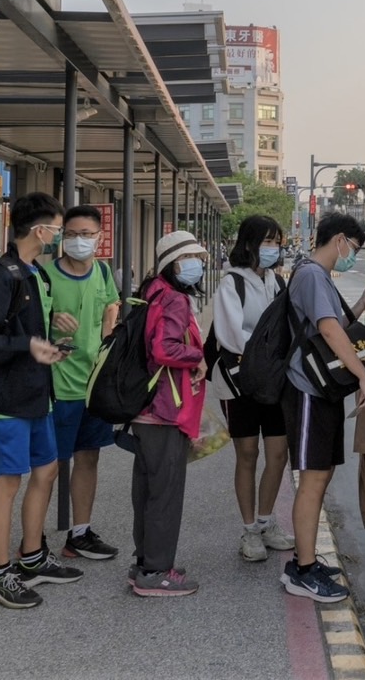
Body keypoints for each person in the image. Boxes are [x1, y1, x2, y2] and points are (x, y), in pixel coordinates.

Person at [0, 191, 81, 610]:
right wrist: (28, 344)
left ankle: (32, 557)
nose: (60, 236)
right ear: (39, 229)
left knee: (46, 471)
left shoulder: (36, 273)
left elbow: (27, 327)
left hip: (36, 393)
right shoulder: (1, 275)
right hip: (5, 398)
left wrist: (51, 331)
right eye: (58, 228)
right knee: (8, 482)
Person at [279, 212, 365, 603]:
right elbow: (328, 329)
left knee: (320, 476)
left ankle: (307, 560)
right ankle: (302, 571)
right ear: (338, 239)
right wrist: (363, 375)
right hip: (306, 390)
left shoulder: (315, 275)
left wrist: (362, 302)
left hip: (319, 391)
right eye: (353, 248)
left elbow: (332, 322)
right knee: (312, 480)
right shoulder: (311, 275)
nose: (351, 256)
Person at [126, 230, 210, 597]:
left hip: (146, 409)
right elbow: (165, 349)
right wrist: (198, 357)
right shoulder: (174, 298)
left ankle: (146, 562)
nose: (198, 266)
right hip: (165, 410)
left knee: (147, 489)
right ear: (174, 264)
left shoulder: (151, 292)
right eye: (191, 259)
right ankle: (156, 571)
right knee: (165, 493)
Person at [40, 205, 123, 562]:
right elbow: (26, 326)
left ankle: (80, 533)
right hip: (57, 388)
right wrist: (49, 317)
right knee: (48, 466)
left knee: (88, 459)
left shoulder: (103, 272)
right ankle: (34, 540)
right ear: (61, 236)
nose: (78, 241)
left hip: (93, 387)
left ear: (100, 238)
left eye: (87, 235)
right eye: (71, 234)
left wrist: (109, 329)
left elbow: (111, 307)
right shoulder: (44, 276)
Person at [213, 214, 297, 562]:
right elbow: (231, 335)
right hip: (242, 382)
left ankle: (266, 522)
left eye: (277, 242)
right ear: (248, 243)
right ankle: (249, 530)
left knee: (279, 454)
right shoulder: (232, 283)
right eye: (267, 242)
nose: (273, 249)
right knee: (247, 455)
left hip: (275, 382)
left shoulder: (277, 282)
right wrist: (266, 354)